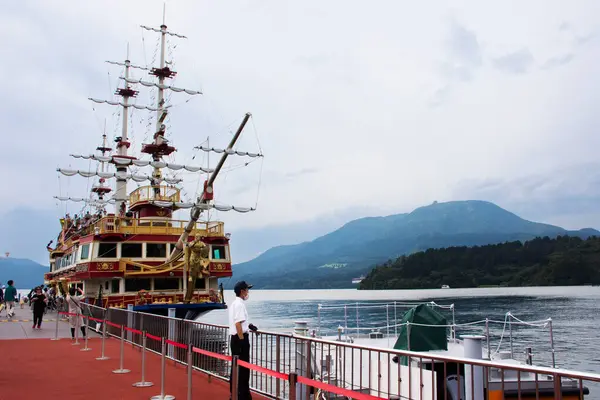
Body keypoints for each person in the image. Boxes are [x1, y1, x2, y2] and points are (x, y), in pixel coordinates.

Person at [228, 281, 258, 400]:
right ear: (242, 291)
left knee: (235, 367)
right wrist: (242, 340)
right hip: (240, 339)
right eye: (247, 290)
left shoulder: (234, 304)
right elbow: (238, 324)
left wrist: (249, 326)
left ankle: (235, 393)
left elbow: (240, 322)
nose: (248, 292)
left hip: (235, 338)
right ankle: (242, 395)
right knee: (243, 368)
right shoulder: (239, 304)